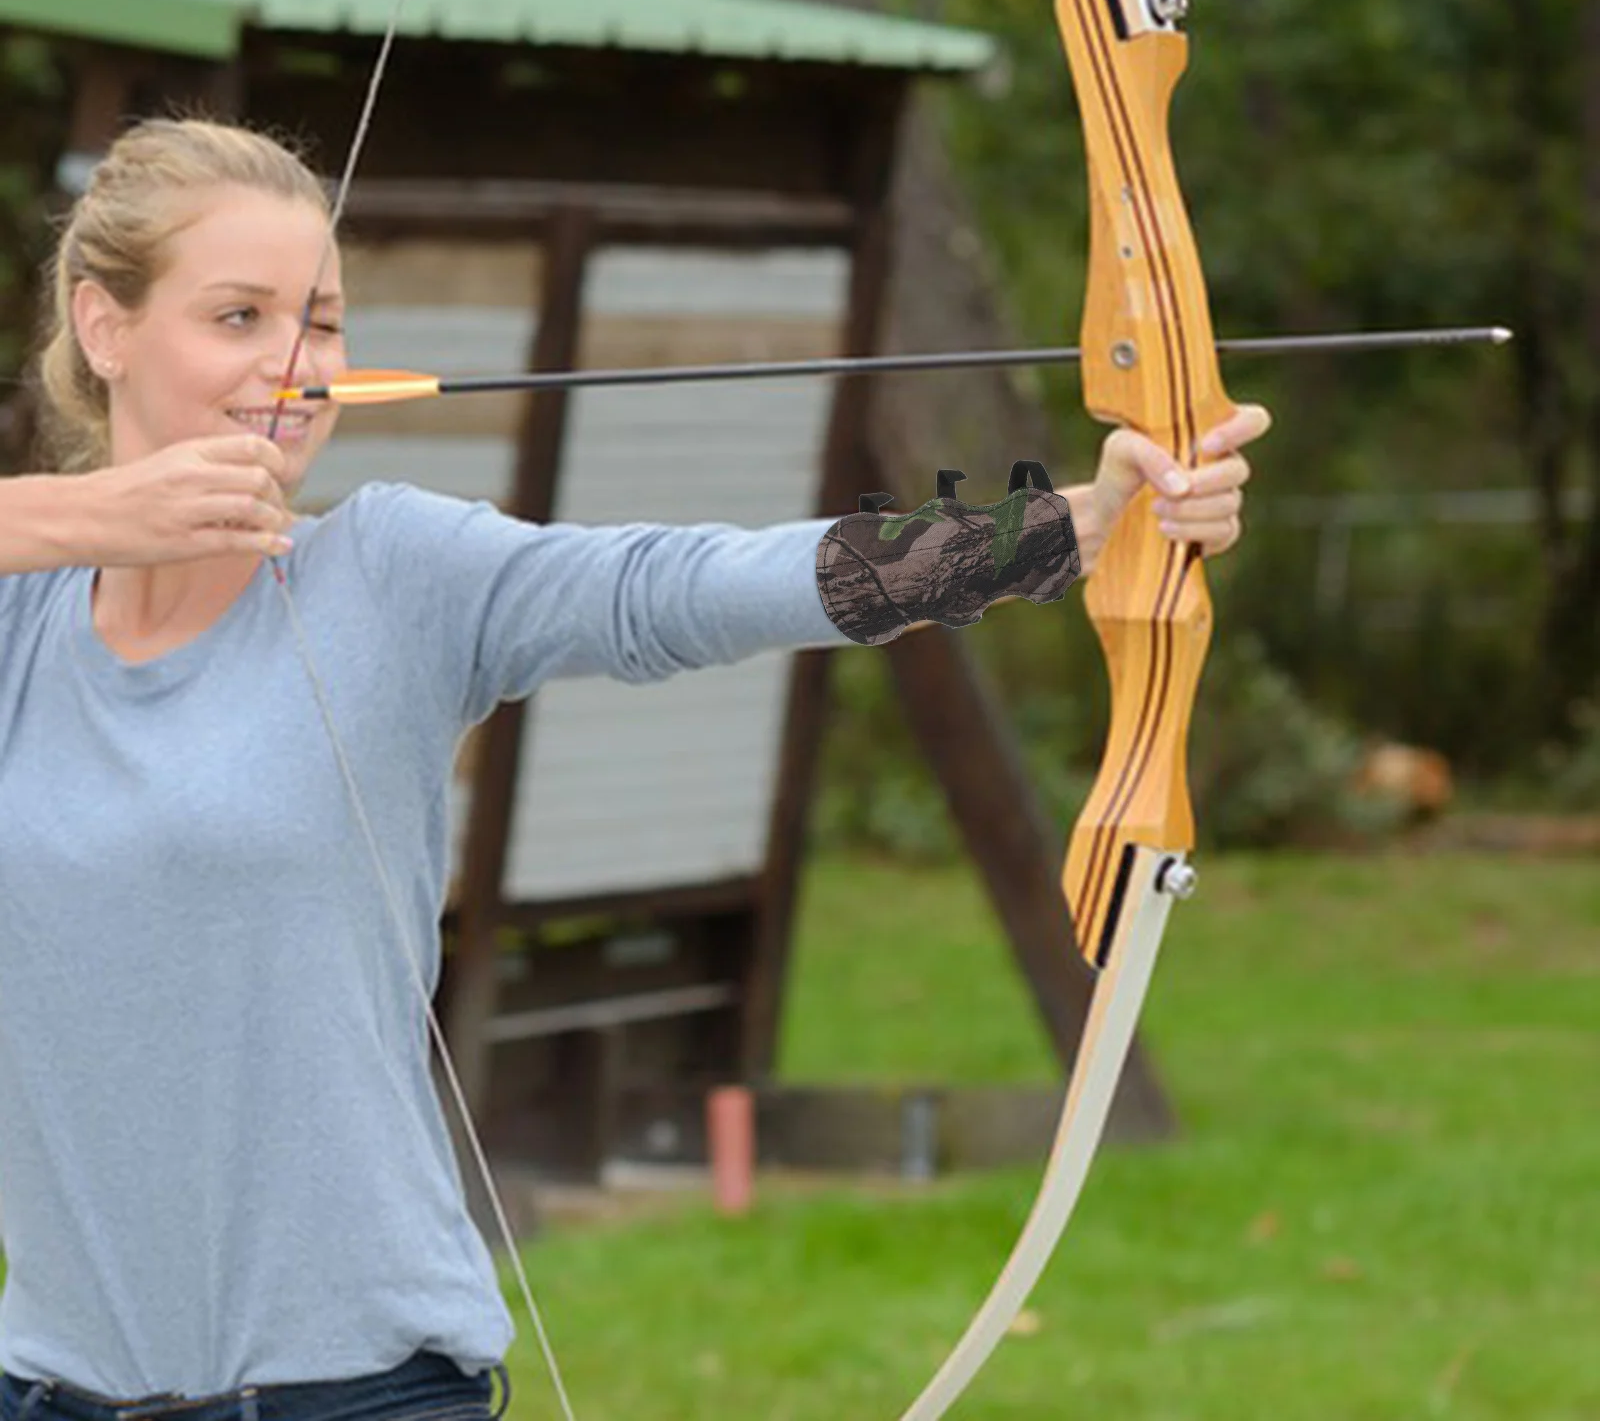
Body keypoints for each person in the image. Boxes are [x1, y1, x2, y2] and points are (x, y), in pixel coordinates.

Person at [0, 119, 1269, 1420]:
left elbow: (684, 589)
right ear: (106, 329)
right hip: (51, 1390)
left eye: (322, 324)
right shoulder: (22, 624)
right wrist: (86, 519)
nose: (295, 367)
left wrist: (1071, 525)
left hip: (355, 1393)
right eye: (239, 316)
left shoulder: (388, 574)